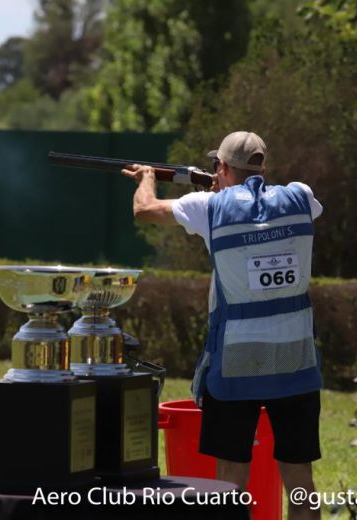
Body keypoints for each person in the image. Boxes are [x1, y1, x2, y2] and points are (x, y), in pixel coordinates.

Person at [121, 131, 323, 520]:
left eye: (218, 166)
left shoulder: (209, 205)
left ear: (223, 168)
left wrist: (147, 176)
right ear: (262, 166)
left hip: (236, 362)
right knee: (300, 482)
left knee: (230, 483)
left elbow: (143, 210)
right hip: (297, 359)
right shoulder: (301, 196)